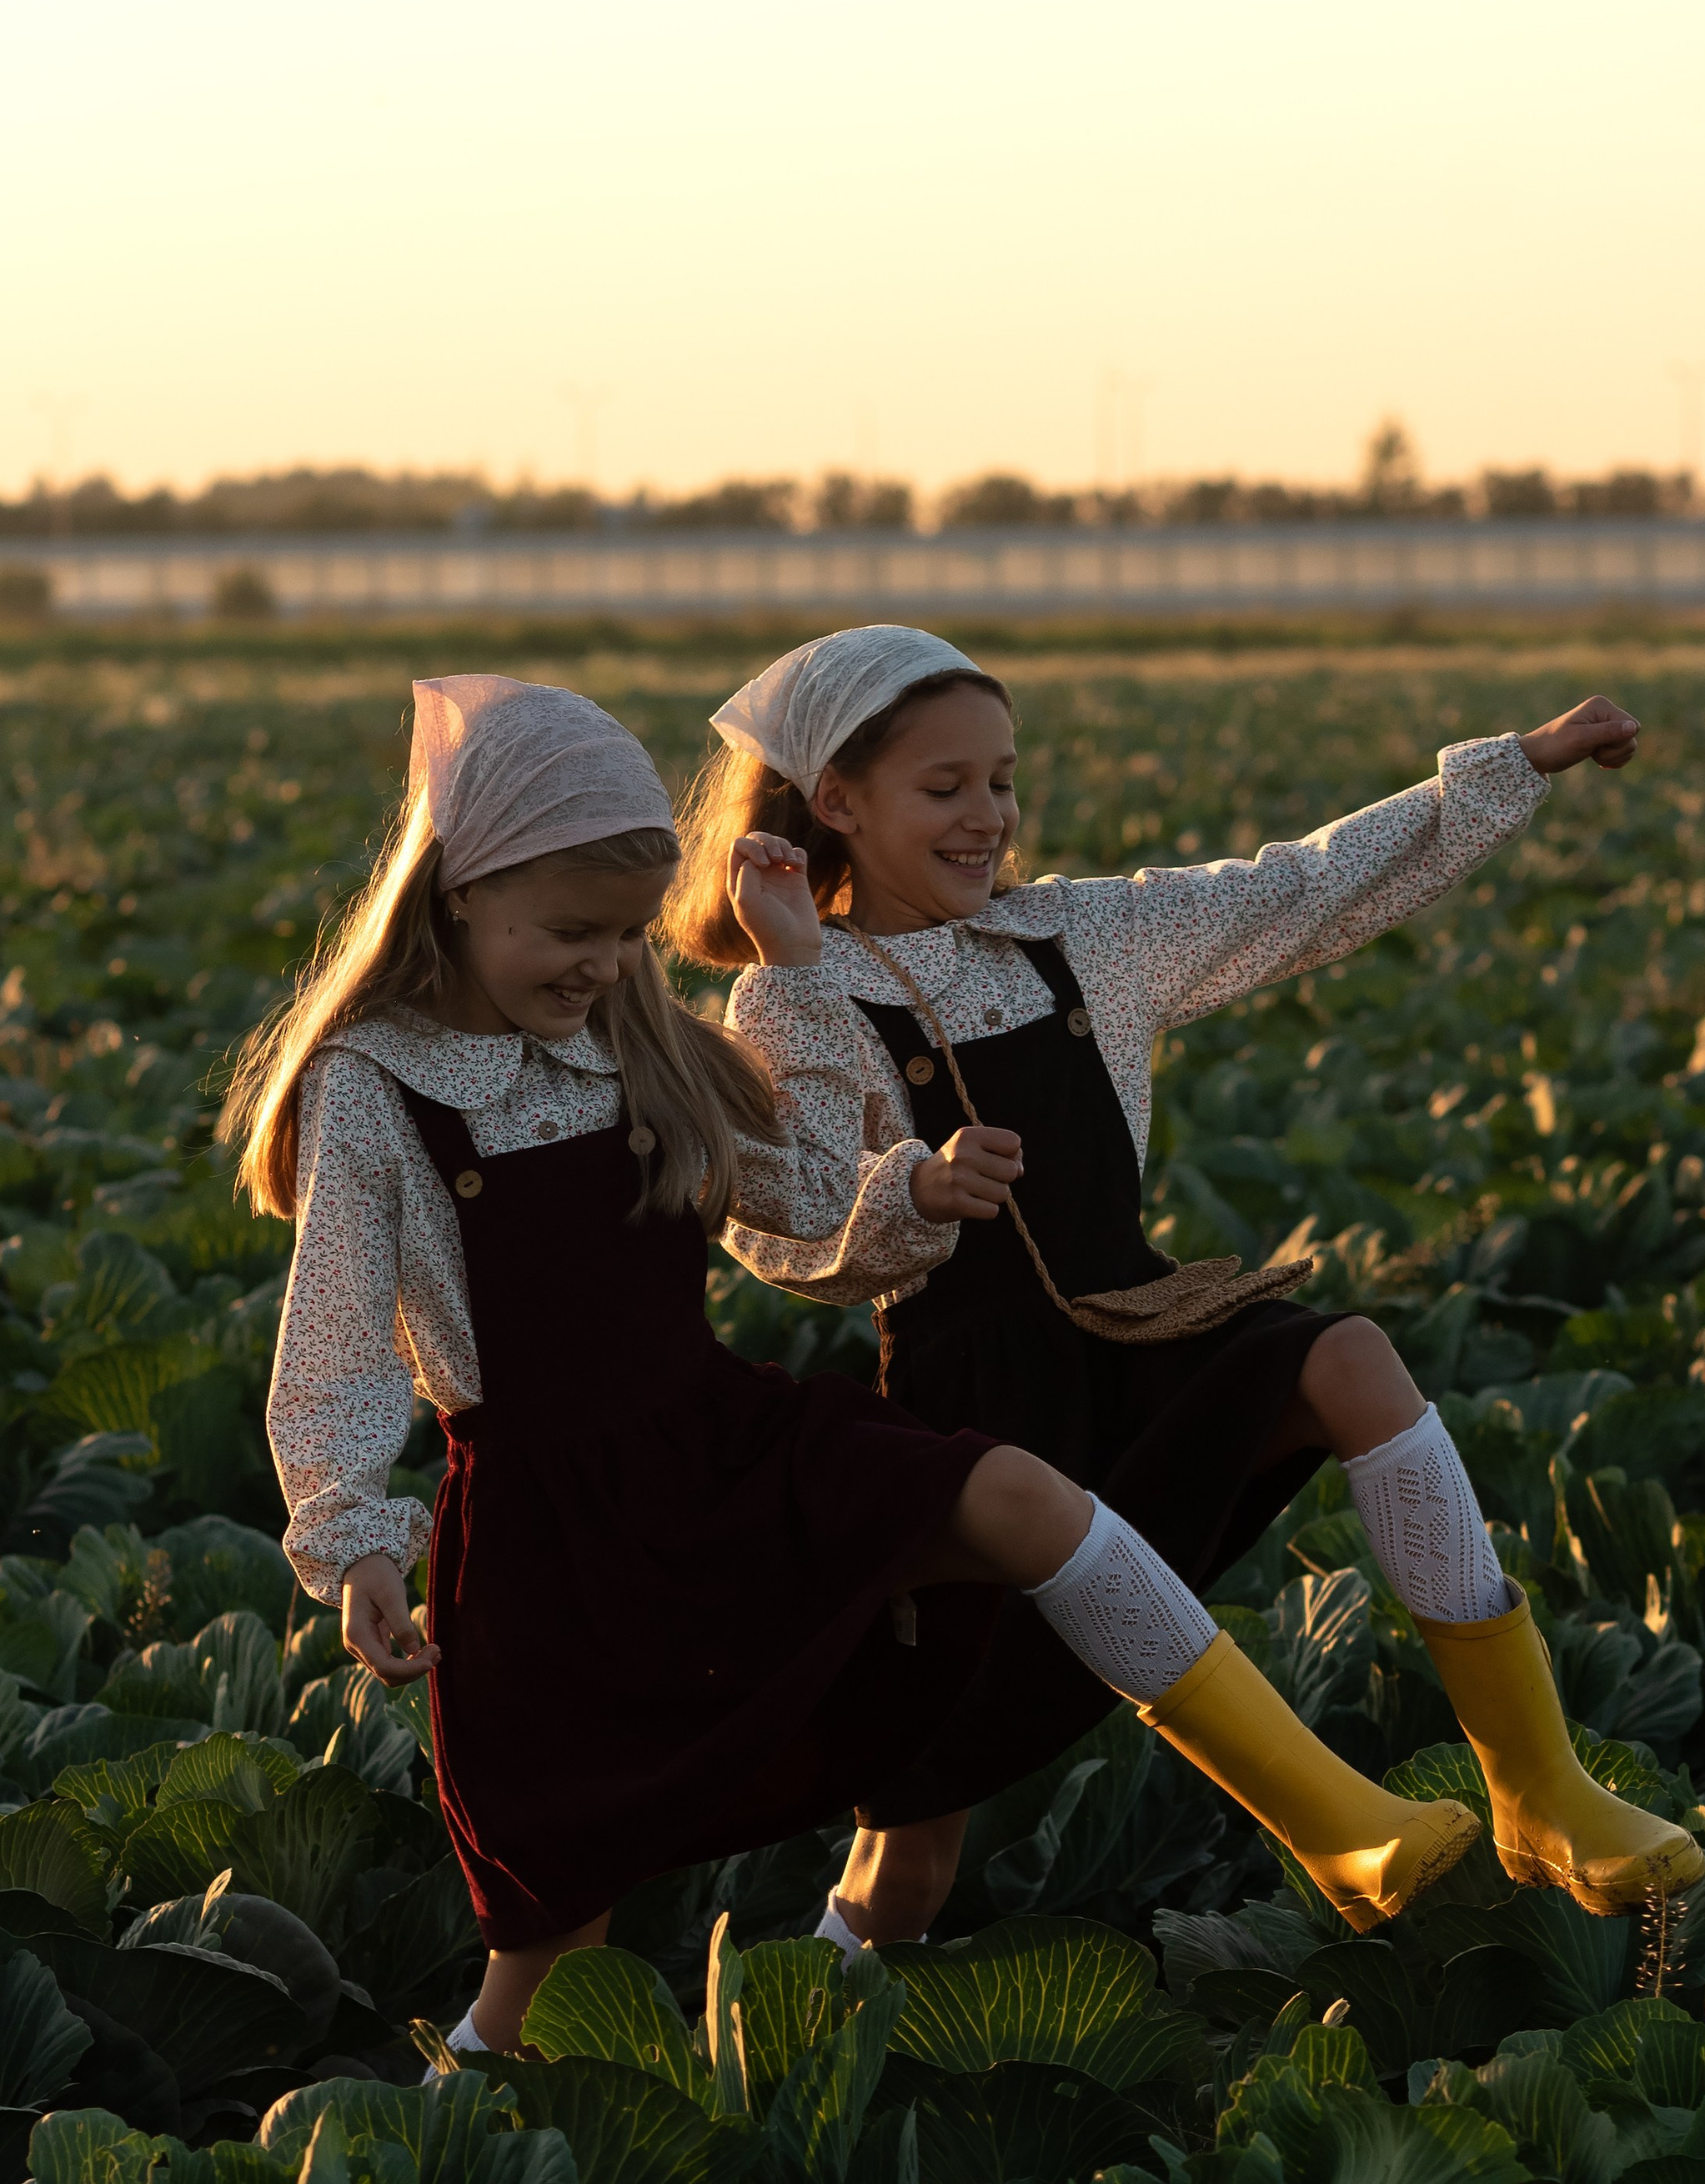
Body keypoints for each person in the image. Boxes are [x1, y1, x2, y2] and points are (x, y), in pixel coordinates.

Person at [226, 673, 1493, 2052]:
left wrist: (900, 1163)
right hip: (555, 1530)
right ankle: (457, 2141)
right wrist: (350, 1537)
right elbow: (342, 1327)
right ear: (460, 891)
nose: (598, 966)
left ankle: (1338, 1822)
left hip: (725, 1445)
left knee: (1028, 1503)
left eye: (625, 936)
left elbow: (810, 1193)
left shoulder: (638, 1042)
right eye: (566, 933)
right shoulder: (377, 1085)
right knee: (546, 1957)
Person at [674, 626, 1705, 1954]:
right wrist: (904, 1171)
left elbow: (1303, 887)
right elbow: (786, 1220)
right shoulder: (790, 997)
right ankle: (810, 2028)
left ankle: (1530, 1789)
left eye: (1003, 780)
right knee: (914, 1840)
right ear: (836, 803)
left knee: (1348, 1359)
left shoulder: (1085, 932)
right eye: (947, 788)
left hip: (1142, 1330)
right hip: (976, 1411)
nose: (988, 816)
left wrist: (1514, 768)